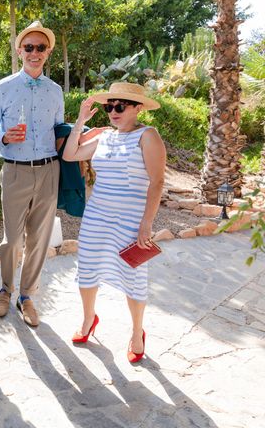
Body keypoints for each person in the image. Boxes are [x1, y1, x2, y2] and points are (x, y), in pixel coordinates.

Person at [62, 82, 166, 363]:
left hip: (131, 219)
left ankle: (136, 333)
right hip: (97, 215)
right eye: (110, 107)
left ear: (138, 108)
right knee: (88, 268)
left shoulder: (148, 135)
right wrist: (81, 123)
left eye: (120, 106)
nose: (113, 112)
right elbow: (69, 155)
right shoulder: (105, 137)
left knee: (133, 277)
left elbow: (157, 182)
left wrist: (147, 222)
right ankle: (88, 320)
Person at [0, 21, 63, 327]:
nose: (34, 52)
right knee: (12, 240)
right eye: (29, 47)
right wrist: (3, 137)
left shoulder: (55, 91)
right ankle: (5, 288)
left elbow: (59, 132)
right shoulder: (2, 88)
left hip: (48, 171)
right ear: (19, 50)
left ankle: (26, 296)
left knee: (39, 240)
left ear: (48, 52)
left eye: (41, 47)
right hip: (14, 171)